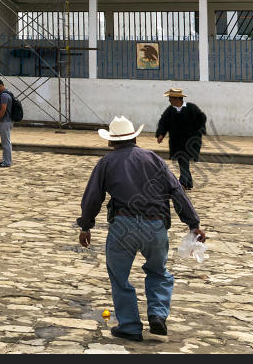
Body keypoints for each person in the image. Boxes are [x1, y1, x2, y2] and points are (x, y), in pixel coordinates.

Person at [78, 115, 206, 341]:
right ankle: (157, 314)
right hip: (155, 225)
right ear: (134, 138)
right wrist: (193, 223)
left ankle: (129, 326)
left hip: (123, 226)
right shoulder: (154, 159)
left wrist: (86, 226)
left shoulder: (106, 163)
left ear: (111, 142)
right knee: (158, 272)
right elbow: (177, 191)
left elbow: (93, 198)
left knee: (119, 277)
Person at [155, 87, 207, 190]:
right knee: (183, 160)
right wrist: (161, 134)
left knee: (184, 160)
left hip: (190, 142)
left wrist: (199, 131)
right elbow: (163, 122)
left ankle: (182, 183)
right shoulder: (170, 111)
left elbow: (201, 118)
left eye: (170, 98)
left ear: (177, 99)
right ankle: (188, 182)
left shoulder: (191, 108)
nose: (169, 100)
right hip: (176, 142)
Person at [0, 78, 17, 168]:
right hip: (8, 120)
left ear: (0, 85)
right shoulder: (8, 93)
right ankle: (6, 160)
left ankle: (7, 162)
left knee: (6, 142)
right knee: (6, 141)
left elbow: (3, 108)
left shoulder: (4, 95)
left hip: (5, 121)